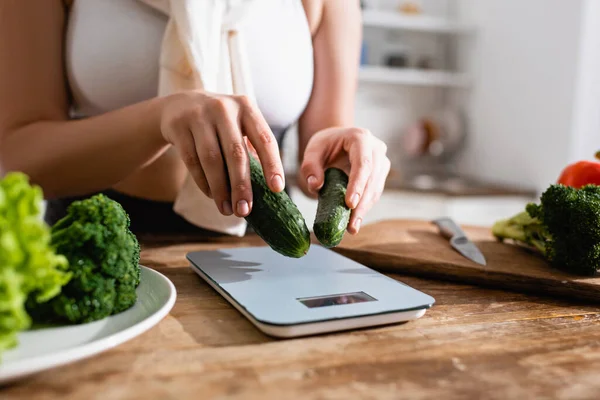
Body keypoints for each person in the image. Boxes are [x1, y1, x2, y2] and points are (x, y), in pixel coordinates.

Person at [0, 0, 391, 237]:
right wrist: (160, 117)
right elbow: (19, 157)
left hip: (262, 247)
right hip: (97, 243)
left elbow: (324, 146)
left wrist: (348, 153)